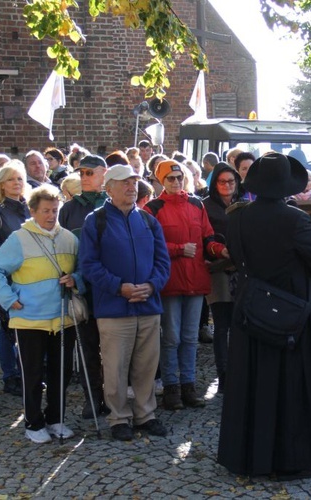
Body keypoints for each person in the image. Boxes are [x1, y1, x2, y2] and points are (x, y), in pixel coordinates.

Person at [217, 152, 311, 479]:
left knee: (249, 383)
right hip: (289, 313)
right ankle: (288, 461)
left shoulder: (237, 217)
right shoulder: (294, 219)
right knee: (288, 386)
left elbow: (237, 258)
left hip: (250, 308)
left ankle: (246, 458)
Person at [0, 184, 85, 444]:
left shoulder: (69, 239)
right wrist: (9, 300)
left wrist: (76, 279)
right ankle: (33, 422)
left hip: (63, 318)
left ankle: (56, 419)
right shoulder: (19, 238)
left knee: (60, 373)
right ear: (32, 211)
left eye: (54, 210)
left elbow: (82, 270)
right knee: (31, 374)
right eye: (45, 211)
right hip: (29, 318)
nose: (51, 216)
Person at [79, 164, 171, 441]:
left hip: (148, 305)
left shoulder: (148, 220)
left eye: (134, 182)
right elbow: (89, 265)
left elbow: (162, 261)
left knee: (146, 366)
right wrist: (120, 288)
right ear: (109, 188)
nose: (132, 187)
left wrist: (151, 285)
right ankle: (118, 417)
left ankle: (145, 414)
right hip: (114, 308)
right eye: (124, 182)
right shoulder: (95, 221)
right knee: (115, 367)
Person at [144, 159, 228, 410]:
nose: (176, 181)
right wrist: (179, 249)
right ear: (161, 180)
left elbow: (207, 237)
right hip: (170, 281)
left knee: (190, 337)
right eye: (170, 178)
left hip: (195, 279)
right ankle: (171, 387)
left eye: (179, 177)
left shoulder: (195, 205)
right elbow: (151, 245)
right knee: (171, 337)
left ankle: (188, 385)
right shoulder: (152, 208)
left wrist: (219, 250)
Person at [58, 154, 110, 419]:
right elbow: (64, 249)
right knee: (88, 347)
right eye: (82, 173)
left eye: (90, 173)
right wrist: (70, 277)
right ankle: (92, 397)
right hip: (83, 287)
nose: (85, 177)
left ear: (104, 174)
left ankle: (113, 397)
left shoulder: (111, 204)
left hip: (110, 287)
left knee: (113, 348)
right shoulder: (69, 209)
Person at [0, 160, 31, 396]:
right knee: (7, 327)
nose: (16, 183)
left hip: (31, 276)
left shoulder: (29, 208)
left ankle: (28, 372)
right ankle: (10, 375)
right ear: (1, 184)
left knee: (28, 326)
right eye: (11, 179)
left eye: (20, 178)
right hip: (8, 277)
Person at [202, 162, 243, 392]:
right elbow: (204, 237)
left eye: (231, 181)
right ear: (215, 184)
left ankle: (239, 371)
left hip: (241, 270)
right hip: (218, 270)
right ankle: (224, 375)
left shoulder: (242, 205)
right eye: (222, 181)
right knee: (222, 325)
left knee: (239, 324)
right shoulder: (206, 206)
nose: (227, 185)